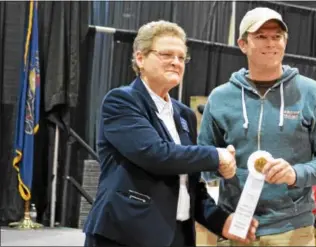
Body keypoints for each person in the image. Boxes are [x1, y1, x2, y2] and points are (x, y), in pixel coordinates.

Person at [83, 20, 258, 247]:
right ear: (140, 58)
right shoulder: (122, 101)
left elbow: (189, 183)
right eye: (167, 55)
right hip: (125, 235)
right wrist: (216, 156)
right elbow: (155, 154)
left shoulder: (184, 114)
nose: (176, 62)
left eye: (181, 57)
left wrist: (221, 221)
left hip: (177, 236)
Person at [198, 7, 316, 246]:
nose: (270, 43)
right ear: (243, 44)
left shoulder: (311, 93)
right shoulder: (220, 98)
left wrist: (295, 174)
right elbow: (202, 162)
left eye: (277, 36)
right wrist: (219, 165)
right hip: (236, 228)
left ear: (285, 42)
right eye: (260, 36)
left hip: (292, 230)